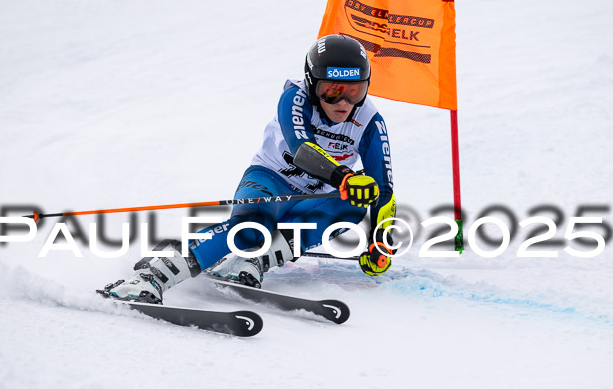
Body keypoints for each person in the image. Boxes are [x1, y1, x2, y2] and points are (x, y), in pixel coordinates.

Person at [102, 34, 397, 304]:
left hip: (310, 201)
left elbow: (384, 190)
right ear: (311, 83)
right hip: (269, 179)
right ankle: (149, 278)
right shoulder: (295, 98)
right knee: (251, 228)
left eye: (354, 92)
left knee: (355, 205)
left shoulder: (371, 122)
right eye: (331, 92)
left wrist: (380, 244)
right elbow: (302, 150)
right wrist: (344, 176)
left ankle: (255, 260)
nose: (344, 102)